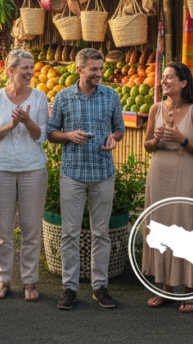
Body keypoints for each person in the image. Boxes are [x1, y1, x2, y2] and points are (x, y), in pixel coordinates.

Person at [46, 47, 125, 311]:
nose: (98, 74)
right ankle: (69, 288)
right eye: (93, 69)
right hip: (73, 173)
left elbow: (119, 128)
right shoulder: (63, 97)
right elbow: (51, 132)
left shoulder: (111, 95)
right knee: (70, 233)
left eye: (100, 69)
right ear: (79, 69)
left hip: (103, 172)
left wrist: (114, 138)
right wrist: (68, 136)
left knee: (101, 232)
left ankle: (99, 287)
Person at [141, 61, 193, 312]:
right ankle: (166, 289)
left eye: (170, 77)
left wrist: (182, 140)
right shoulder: (155, 108)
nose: (164, 81)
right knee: (161, 230)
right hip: (159, 176)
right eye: (164, 77)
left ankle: (190, 290)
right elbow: (146, 145)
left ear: (183, 83)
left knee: (186, 227)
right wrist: (157, 139)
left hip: (185, 177)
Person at [0, 49, 49, 302]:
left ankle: (29, 281)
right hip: (1, 169)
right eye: (25, 68)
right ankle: (4, 279)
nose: (30, 72)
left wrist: (27, 121)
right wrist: (11, 124)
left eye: (32, 68)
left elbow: (41, 135)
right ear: (11, 71)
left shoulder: (40, 97)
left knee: (31, 230)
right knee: (3, 230)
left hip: (33, 169)